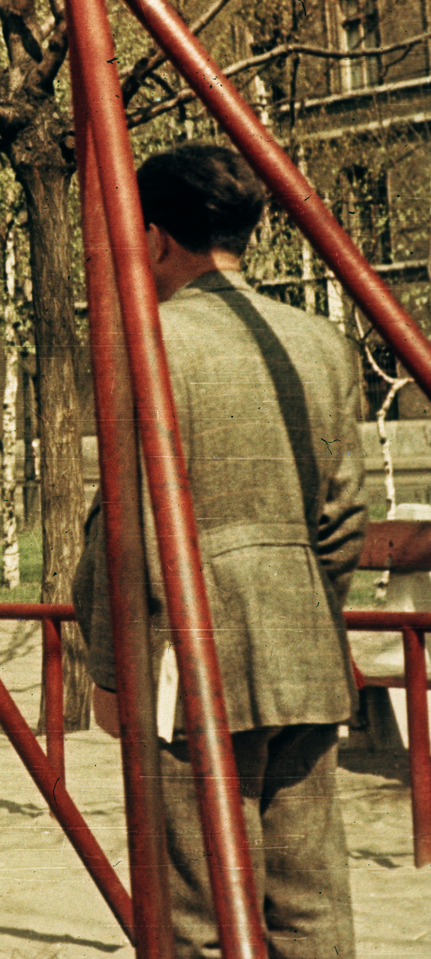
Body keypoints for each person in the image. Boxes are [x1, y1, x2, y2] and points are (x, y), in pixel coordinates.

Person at [72, 142, 366, 959]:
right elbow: (342, 516)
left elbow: (124, 523)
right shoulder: (317, 341)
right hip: (305, 650)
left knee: (198, 909)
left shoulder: (149, 342)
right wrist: (307, 602)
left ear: (155, 238)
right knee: (311, 902)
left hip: (190, 655)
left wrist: (107, 664)